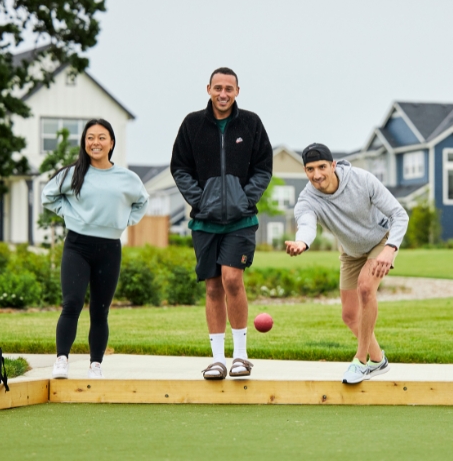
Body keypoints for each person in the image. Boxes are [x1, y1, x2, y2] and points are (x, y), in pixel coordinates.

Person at [170, 67, 272, 380]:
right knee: (213, 287)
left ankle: (241, 357)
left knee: (231, 279)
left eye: (229, 88)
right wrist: (200, 201)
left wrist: (244, 199)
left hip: (240, 220)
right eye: (218, 88)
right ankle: (217, 360)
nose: (223, 94)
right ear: (209, 89)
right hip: (204, 222)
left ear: (237, 91)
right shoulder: (192, 124)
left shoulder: (251, 123)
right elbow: (180, 168)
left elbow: (263, 169)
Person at [285, 143, 409, 384]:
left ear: (333, 165)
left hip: (379, 241)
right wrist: (302, 242)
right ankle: (378, 360)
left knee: (365, 287)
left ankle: (361, 362)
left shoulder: (362, 180)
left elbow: (399, 214)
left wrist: (390, 249)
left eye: (322, 167)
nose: (317, 174)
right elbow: (307, 224)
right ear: (305, 171)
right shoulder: (307, 199)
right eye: (310, 169)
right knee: (350, 316)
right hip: (351, 251)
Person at [43, 118, 149, 379]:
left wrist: (125, 221)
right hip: (77, 246)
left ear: (111, 142)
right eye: (90, 137)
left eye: (101, 137)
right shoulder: (73, 173)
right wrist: (71, 215)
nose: (95, 142)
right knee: (72, 303)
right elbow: (48, 196)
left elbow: (142, 202)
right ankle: (61, 360)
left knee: (100, 310)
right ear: (84, 142)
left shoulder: (127, 178)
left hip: (109, 249)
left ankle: (96, 364)